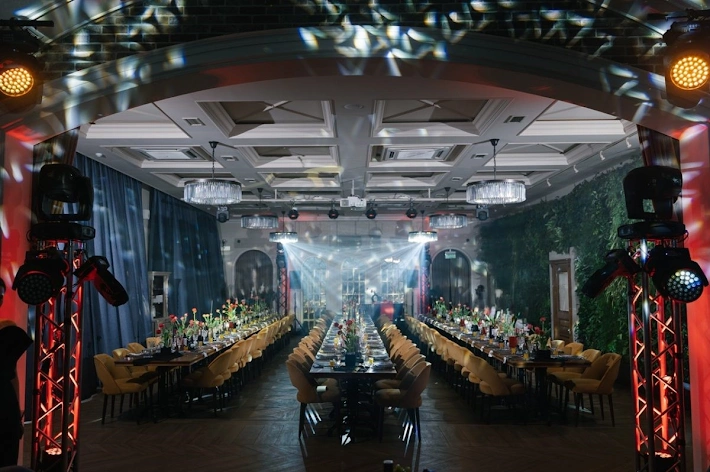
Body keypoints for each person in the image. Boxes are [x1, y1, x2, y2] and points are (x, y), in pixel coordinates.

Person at [0, 279, 33, 468]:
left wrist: (18, 410)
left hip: (5, 402)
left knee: (7, 456)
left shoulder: (8, 330)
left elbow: (12, 373)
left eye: (0, 295)